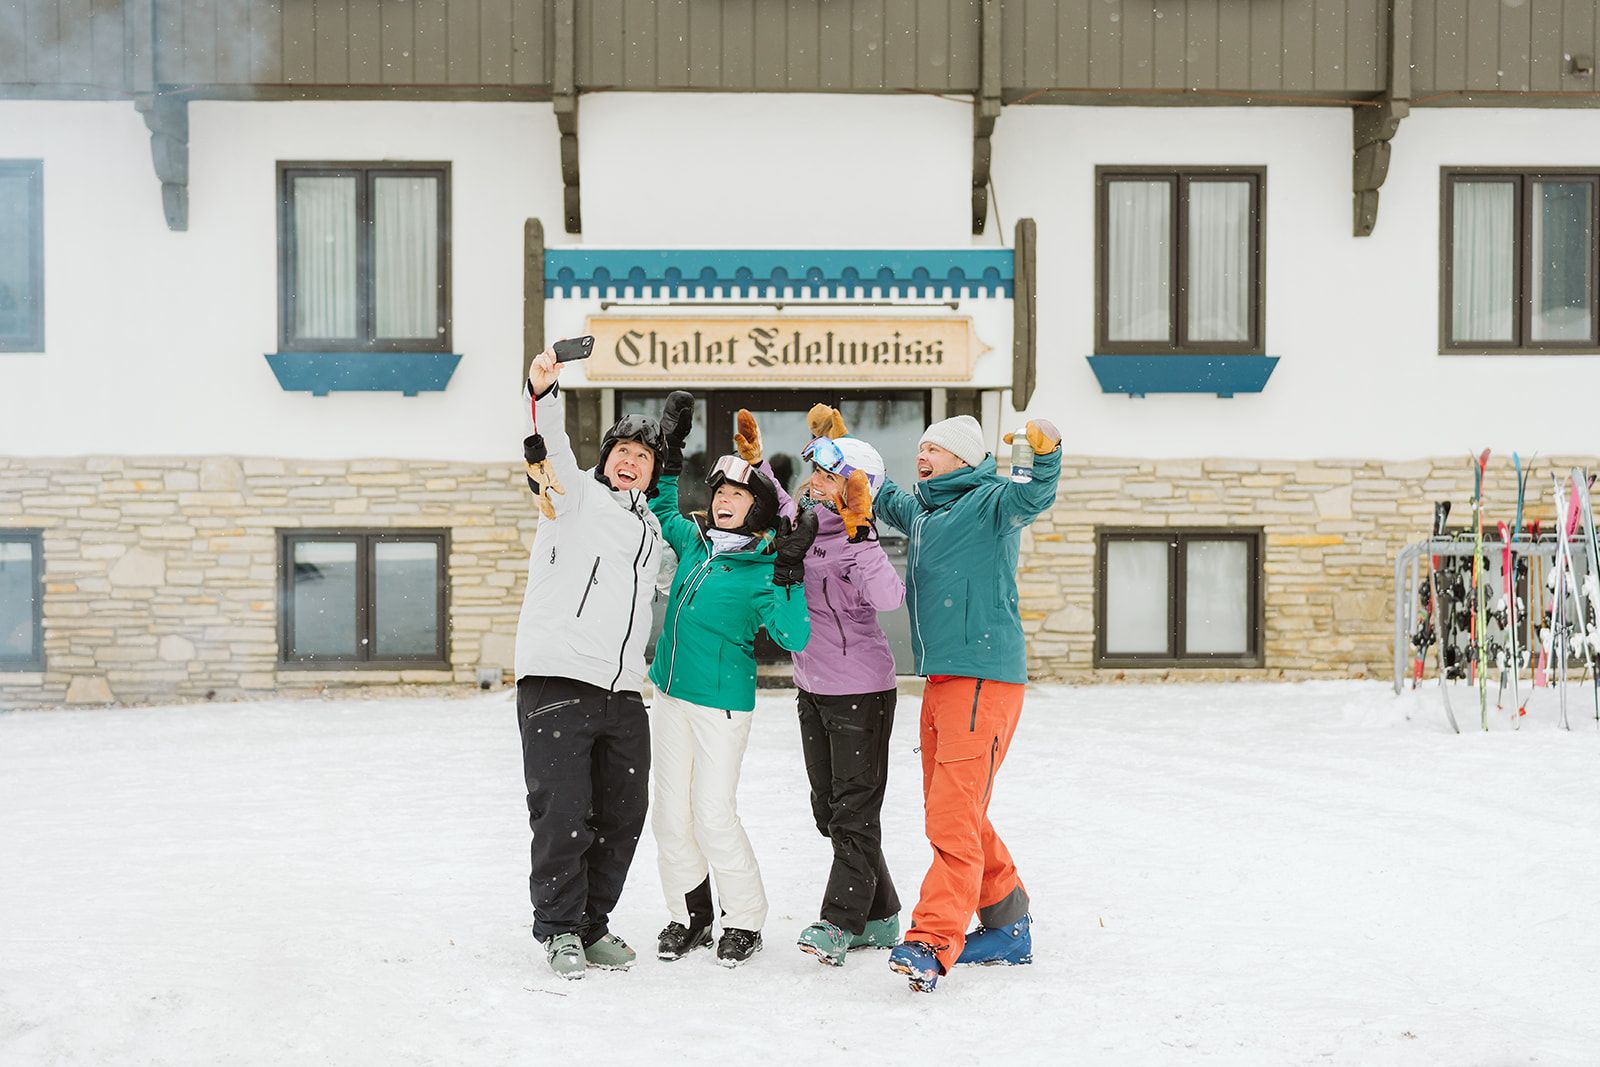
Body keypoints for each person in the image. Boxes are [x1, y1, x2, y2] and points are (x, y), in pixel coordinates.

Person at [513, 345, 694, 981]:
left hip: (622, 693)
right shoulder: (575, 502)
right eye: (622, 452)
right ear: (605, 459)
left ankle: (592, 925)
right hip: (559, 677)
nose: (630, 463)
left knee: (621, 815)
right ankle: (559, 930)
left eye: (643, 458)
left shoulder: (648, 531)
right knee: (562, 813)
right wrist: (543, 390)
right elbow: (551, 447)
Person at [866, 411, 1063, 993]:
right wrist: (833, 451)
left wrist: (1045, 455)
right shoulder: (925, 512)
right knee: (956, 807)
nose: (921, 454)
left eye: (934, 448)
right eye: (920, 445)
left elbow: (1034, 496)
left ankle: (931, 939)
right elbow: (880, 494)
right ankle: (1007, 922)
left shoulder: (992, 501)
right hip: (943, 681)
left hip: (982, 678)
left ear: (964, 457)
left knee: (951, 814)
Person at [729, 407, 905, 967]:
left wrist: (864, 534)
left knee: (854, 812)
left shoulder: (859, 540)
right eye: (818, 475)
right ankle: (881, 915)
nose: (817, 483)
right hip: (813, 687)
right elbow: (780, 499)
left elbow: (889, 599)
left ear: (858, 489)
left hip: (861, 690)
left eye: (831, 477)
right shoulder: (805, 525)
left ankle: (840, 921)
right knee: (828, 810)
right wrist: (757, 463)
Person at [646, 418, 817, 968]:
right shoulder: (699, 546)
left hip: (720, 707)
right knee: (670, 814)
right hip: (669, 695)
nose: (724, 499)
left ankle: (743, 920)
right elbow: (663, 510)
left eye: (739, 494)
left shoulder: (764, 570)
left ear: (757, 509)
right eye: (720, 490)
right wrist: (671, 454)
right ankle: (690, 914)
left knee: (712, 813)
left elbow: (795, 637)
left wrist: (790, 571)